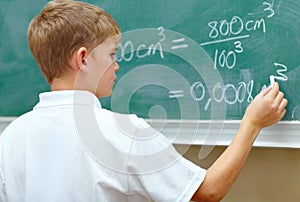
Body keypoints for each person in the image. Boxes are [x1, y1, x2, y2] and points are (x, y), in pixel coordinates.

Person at [0, 0, 288, 202]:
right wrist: (251, 123)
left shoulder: (11, 137)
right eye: (112, 54)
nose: (116, 66)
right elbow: (205, 193)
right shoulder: (121, 132)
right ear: (83, 58)